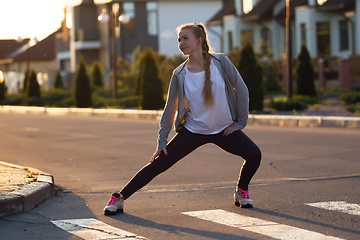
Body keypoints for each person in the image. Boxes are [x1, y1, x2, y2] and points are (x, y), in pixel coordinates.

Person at [103, 23, 261, 215]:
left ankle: (241, 191)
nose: (181, 42)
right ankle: (119, 197)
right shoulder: (179, 74)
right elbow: (170, 109)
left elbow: (241, 89)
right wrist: (162, 140)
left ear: (198, 41)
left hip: (223, 130)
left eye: (185, 38)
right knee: (159, 164)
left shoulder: (220, 62)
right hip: (193, 131)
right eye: (179, 39)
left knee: (254, 154)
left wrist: (240, 123)